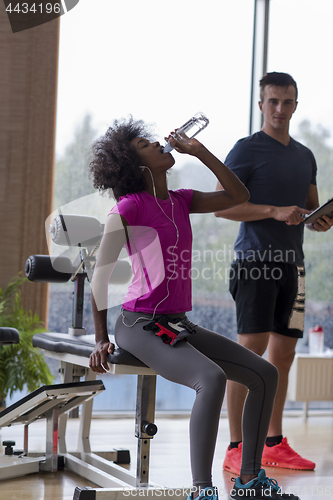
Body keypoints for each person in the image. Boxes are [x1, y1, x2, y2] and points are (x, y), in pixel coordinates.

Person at [88, 117, 300, 500]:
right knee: (212, 377)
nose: (158, 144)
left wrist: (200, 151)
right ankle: (202, 491)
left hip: (175, 322)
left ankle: (250, 480)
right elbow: (99, 277)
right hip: (138, 323)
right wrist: (101, 338)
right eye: (146, 144)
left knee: (265, 374)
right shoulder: (128, 208)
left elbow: (238, 194)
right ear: (136, 166)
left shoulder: (181, 200)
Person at [215, 72, 333, 476]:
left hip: (293, 266)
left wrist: (319, 220)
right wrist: (272, 210)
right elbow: (221, 207)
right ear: (261, 104)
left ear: (296, 105)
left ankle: (272, 442)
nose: (280, 109)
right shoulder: (246, 150)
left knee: (283, 354)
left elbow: (310, 207)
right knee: (248, 353)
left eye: (288, 102)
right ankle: (236, 446)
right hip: (255, 262)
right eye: (273, 102)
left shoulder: (305, 156)